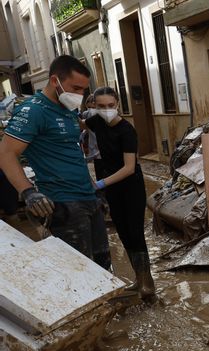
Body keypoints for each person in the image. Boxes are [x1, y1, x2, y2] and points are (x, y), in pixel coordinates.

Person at [0, 55, 111, 269]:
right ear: (54, 81)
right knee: (80, 269)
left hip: (87, 198)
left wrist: (94, 189)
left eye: (83, 90)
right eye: (75, 88)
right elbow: (5, 154)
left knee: (103, 264)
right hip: (63, 202)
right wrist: (28, 192)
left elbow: (73, 151)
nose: (79, 95)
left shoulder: (68, 110)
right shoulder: (33, 111)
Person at [83, 86, 155, 299]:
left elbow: (129, 167)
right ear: (94, 106)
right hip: (112, 188)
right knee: (122, 232)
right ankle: (138, 280)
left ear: (118, 105)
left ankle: (148, 283)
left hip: (130, 185)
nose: (107, 110)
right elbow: (78, 124)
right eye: (101, 106)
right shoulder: (95, 122)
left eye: (111, 106)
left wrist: (99, 184)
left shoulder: (126, 130)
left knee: (135, 232)